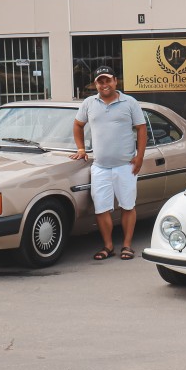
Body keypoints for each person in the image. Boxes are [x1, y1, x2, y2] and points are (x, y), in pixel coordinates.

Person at [71, 66, 148, 261]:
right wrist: (81, 149)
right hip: (100, 167)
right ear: (95, 84)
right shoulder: (89, 103)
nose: (104, 85)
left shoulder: (130, 102)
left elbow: (141, 129)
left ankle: (127, 246)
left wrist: (139, 157)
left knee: (128, 206)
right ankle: (108, 246)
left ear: (115, 81)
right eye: (100, 81)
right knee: (101, 208)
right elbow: (78, 125)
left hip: (125, 166)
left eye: (108, 80)